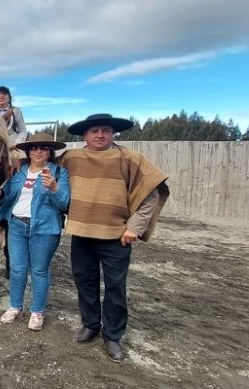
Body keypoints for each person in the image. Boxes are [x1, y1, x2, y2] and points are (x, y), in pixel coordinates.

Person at [59, 114, 170, 363]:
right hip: (81, 233)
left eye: (106, 130)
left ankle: (113, 335)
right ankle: (90, 324)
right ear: (84, 135)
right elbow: (42, 165)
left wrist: (134, 228)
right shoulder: (71, 158)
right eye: (95, 131)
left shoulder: (129, 158)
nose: (100, 135)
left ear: (113, 133)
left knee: (115, 288)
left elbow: (150, 195)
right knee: (84, 282)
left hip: (116, 236)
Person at [0, 133, 70, 331]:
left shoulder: (60, 173)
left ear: (50, 152)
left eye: (44, 148)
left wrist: (54, 188)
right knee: (17, 269)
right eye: (34, 148)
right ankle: (15, 307)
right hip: (17, 226)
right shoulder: (19, 171)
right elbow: (8, 197)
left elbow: (64, 203)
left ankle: (37, 311)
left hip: (45, 229)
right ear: (28, 151)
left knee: (39, 270)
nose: (38, 151)